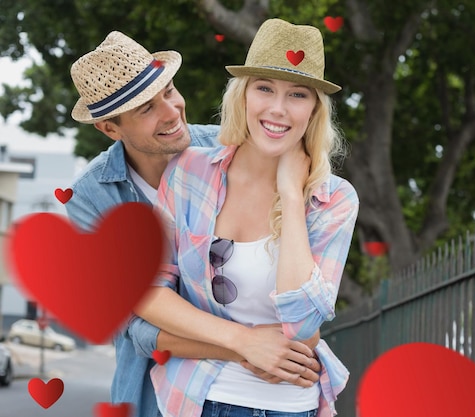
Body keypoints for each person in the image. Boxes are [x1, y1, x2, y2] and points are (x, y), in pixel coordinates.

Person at [65, 30, 321, 417]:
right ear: (110, 129)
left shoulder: (231, 148)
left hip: (267, 391)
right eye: (145, 109)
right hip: (155, 391)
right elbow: (139, 326)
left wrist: (276, 348)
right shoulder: (92, 198)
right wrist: (244, 344)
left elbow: (295, 265)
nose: (171, 112)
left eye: (169, 91)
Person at [135, 18, 359, 417]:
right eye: (264, 88)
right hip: (192, 399)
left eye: (297, 95)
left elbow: (303, 326)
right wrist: (242, 340)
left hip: (286, 406)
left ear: (314, 110)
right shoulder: (188, 173)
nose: (277, 108)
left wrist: (291, 196)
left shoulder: (332, 200)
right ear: (242, 96)